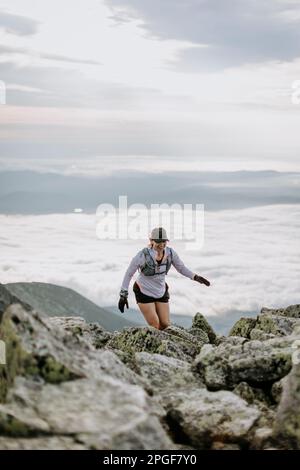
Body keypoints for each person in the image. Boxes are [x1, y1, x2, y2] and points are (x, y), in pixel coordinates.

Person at [118, 227, 210, 330]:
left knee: (165, 325)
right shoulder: (142, 255)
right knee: (155, 325)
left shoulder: (170, 253)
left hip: (161, 291)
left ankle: (164, 345)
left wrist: (195, 277)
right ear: (151, 241)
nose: (161, 245)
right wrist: (123, 295)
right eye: (158, 242)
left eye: (164, 242)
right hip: (144, 291)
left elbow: (181, 268)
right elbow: (129, 274)